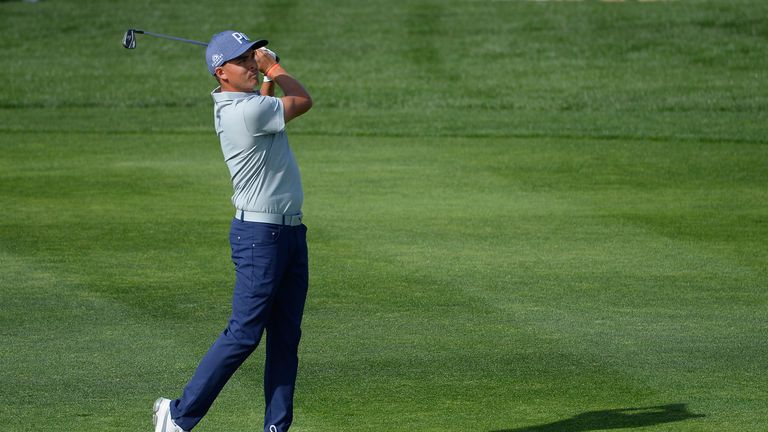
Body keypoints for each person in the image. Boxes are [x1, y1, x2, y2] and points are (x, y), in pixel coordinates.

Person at [153, 30, 313, 432]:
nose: (251, 64)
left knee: (284, 340)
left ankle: (276, 427)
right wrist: (274, 67)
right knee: (244, 335)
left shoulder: (246, 105)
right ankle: (177, 414)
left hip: (289, 234)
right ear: (221, 72)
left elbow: (264, 101)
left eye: (252, 56)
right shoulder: (244, 113)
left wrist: (264, 78)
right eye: (243, 61)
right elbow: (303, 101)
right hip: (261, 239)